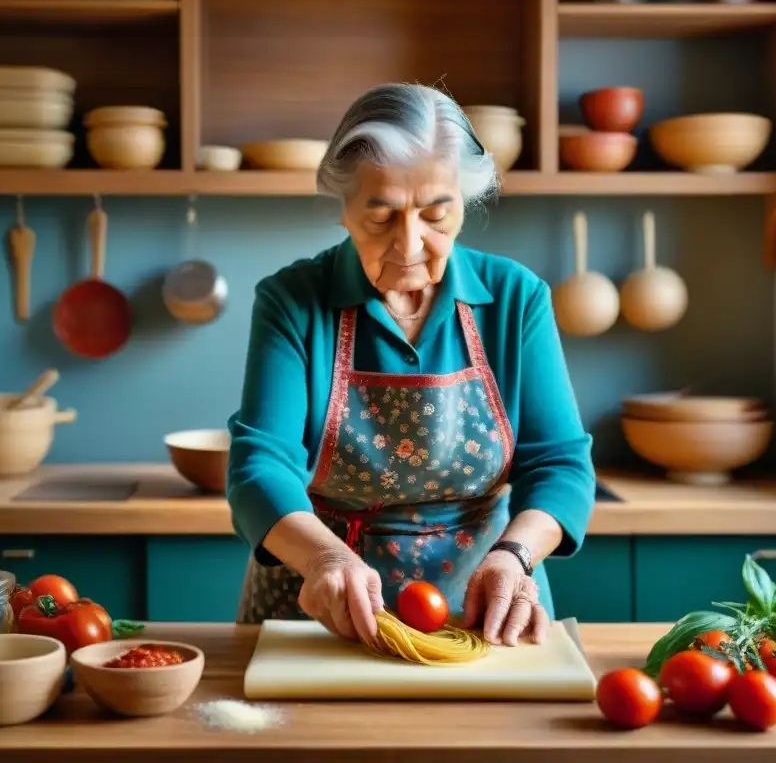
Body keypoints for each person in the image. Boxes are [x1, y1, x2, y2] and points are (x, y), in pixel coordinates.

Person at [227, 82, 595, 648]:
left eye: (436, 215)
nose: (410, 243)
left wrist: (516, 555)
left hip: (484, 605)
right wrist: (325, 559)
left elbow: (561, 464)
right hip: (322, 609)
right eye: (381, 216)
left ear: (465, 205)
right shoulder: (293, 301)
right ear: (343, 207)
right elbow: (260, 465)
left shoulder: (517, 298)